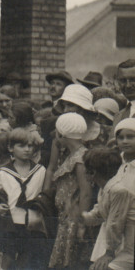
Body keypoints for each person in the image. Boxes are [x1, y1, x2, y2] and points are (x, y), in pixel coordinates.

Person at [0, 127, 49, 269]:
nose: (27, 149)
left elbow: (45, 194)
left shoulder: (40, 171)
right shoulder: (4, 172)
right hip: (10, 222)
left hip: (32, 223)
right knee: (7, 259)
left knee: (26, 260)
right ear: (10, 148)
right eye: (21, 146)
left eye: (30, 146)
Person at [81, 119, 135, 270]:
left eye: (131, 137)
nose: (125, 141)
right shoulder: (114, 164)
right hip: (113, 229)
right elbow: (106, 197)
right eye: (121, 137)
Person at [46, 112, 93, 269]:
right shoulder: (71, 155)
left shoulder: (80, 158)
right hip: (65, 218)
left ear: (61, 134)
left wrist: (81, 223)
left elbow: (86, 193)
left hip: (74, 219)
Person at [79, 147, 124, 270]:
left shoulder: (117, 190)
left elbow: (115, 224)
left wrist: (109, 253)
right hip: (113, 243)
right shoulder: (104, 188)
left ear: (92, 172)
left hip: (123, 245)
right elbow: (98, 215)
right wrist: (79, 217)